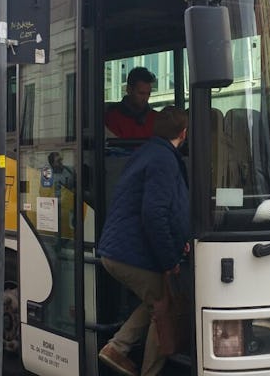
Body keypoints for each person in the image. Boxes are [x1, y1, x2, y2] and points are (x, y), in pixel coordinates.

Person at [96, 106, 191, 376]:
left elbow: (164, 212)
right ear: (183, 134)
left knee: (157, 302)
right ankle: (142, 366)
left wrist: (178, 239)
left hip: (120, 250)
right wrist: (170, 259)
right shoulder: (164, 159)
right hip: (129, 254)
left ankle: (118, 347)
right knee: (165, 308)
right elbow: (155, 214)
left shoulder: (149, 152)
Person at [106, 66, 158, 139]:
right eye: (141, 93)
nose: (145, 98)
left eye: (148, 94)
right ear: (129, 90)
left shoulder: (156, 118)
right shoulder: (112, 116)